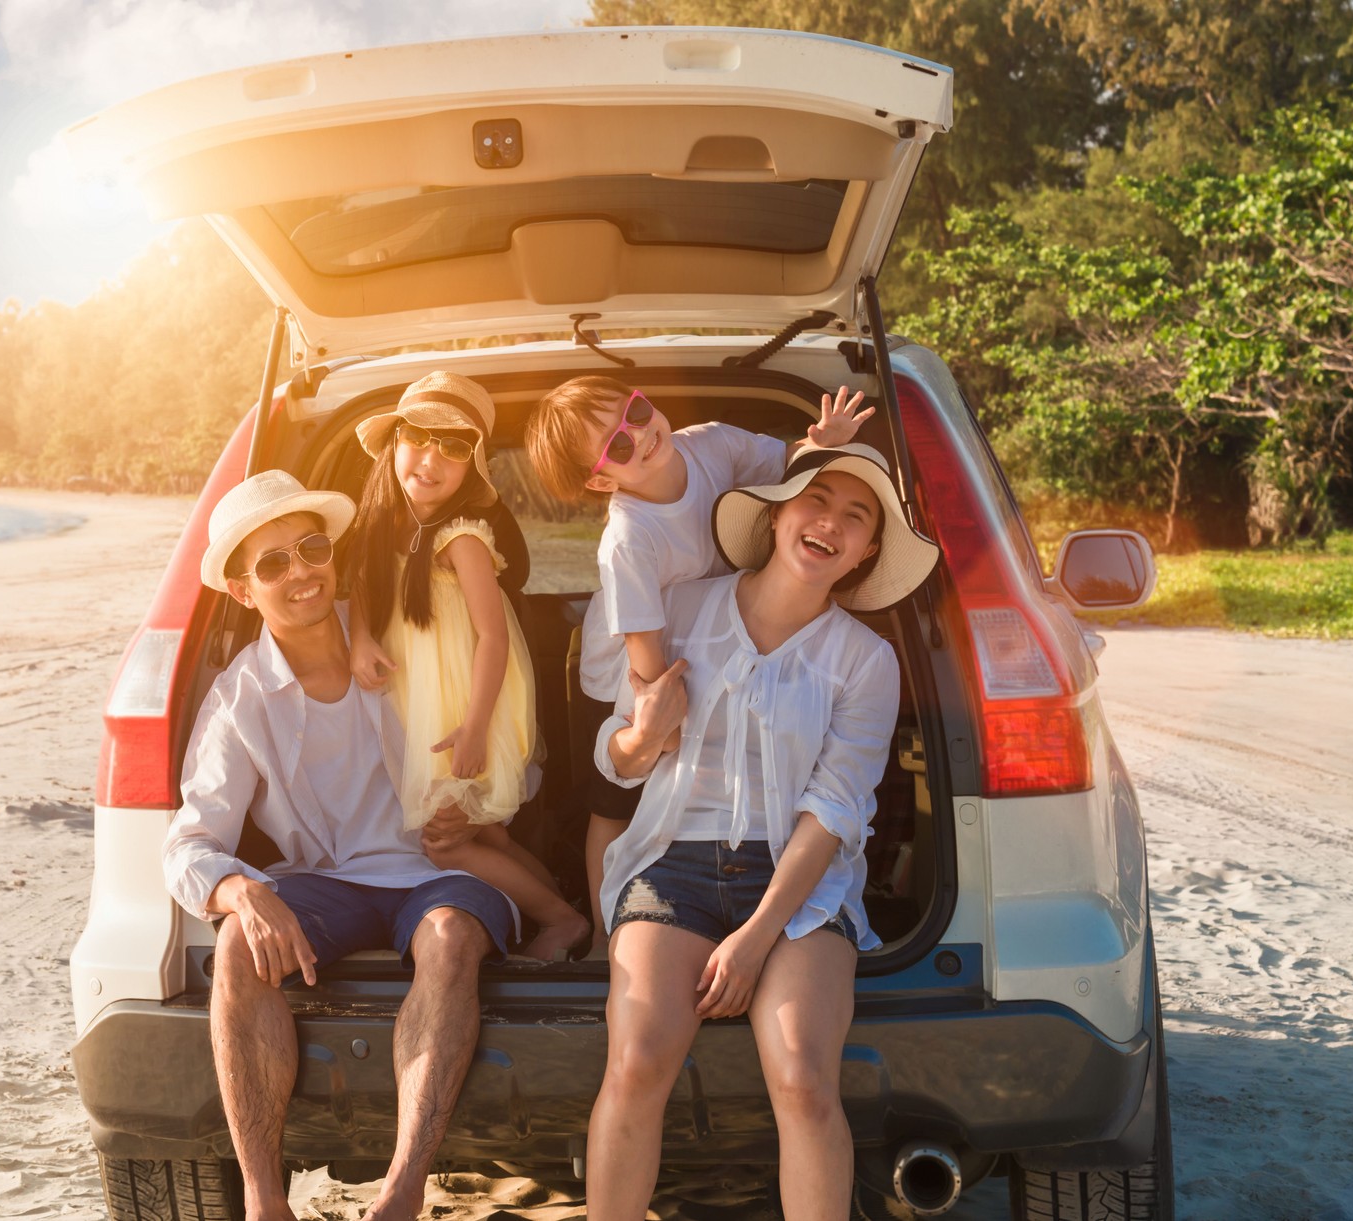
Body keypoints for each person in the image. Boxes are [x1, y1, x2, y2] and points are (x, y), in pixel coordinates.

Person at [583, 441, 941, 1221]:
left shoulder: (866, 660)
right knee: (638, 1059)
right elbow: (615, 750)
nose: (831, 524)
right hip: (671, 866)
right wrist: (640, 741)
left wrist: (754, 935)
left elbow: (835, 809)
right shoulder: (680, 611)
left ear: (867, 552)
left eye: (857, 517)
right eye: (818, 501)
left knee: (804, 1078)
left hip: (798, 886)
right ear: (777, 514)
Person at [162, 469, 518, 1221]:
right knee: (236, 945)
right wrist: (240, 890)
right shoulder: (238, 698)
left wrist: (475, 808)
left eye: (311, 547)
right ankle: (264, 1201)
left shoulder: (400, 628)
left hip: (441, 869)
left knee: (451, 937)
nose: (299, 572)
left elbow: (510, 738)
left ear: (333, 554)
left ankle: (402, 1189)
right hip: (325, 882)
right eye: (272, 563)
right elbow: (188, 844)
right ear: (241, 591)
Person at [523, 376, 874, 949]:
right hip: (629, 666)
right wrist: (655, 723)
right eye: (615, 447)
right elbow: (643, 648)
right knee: (612, 802)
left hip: (712, 643)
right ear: (600, 478)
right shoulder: (628, 538)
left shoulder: (709, 444)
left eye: (634, 412)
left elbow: (792, 469)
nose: (638, 436)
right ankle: (606, 935)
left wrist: (825, 444)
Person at [346, 371, 589, 961]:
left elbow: (493, 635)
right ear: (394, 443)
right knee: (486, 834)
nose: (431, 459)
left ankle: (561, 921)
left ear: (472, 467)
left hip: (467, 709)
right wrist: (357, 639)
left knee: (445, 843)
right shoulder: (380, 528)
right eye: (420, 438)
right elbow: (360, 585)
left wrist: (476, 727)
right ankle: (565, 909)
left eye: (454, 448)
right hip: (422, 706)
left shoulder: (463, 536)